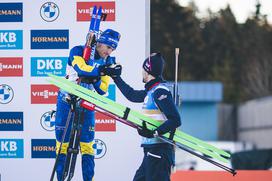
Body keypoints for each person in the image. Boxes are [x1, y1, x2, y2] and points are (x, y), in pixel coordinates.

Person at [54, 29, 121, 181]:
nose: (110, 52)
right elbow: (81, 69)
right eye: (109, 47)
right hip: (66, 100)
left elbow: (103, 90)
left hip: (87, 102)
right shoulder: (77, 50)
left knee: (87, 145)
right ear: (100, 43)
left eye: (113, 49)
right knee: (62, 145)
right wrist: (101, 71)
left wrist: (97, 75)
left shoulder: (108, 61)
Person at [111, 53, 181, 181]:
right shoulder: (151, 91)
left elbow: (175, 119)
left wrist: (154, 132)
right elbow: (131, 95)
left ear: (147, 70)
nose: (141, 72)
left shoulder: (160, 91)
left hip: (159, 150)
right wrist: (115, 77)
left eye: (143, 69)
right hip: (151, 150)